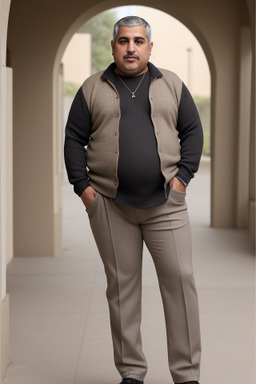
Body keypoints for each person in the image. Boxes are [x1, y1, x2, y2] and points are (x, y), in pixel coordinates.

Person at [64, 16, 203, 384]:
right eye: (123, 41)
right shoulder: (92, 88)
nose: (130, 48)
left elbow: (192, 131)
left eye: (138, 41)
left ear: (149, 47)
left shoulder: (170, 84)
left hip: (165, 206)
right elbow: (73, 138)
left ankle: (187, 374)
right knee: (122, 289)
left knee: (181, 281)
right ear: (113, 47)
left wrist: (182, 181)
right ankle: (131, 373)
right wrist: (84, 189)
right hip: (110, 206)